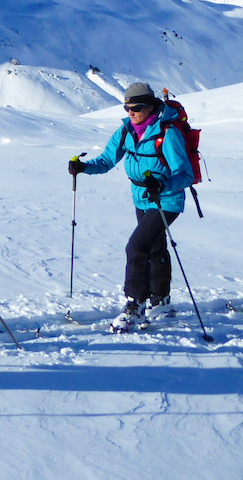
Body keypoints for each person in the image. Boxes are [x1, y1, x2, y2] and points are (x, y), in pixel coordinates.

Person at [68, 82, 193, 332]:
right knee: (154, 246)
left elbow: (185, 174)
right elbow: (105, 160)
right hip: (141, 197)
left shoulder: (167, 132)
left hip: (166, 199)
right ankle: (160, 301)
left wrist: (161, 182)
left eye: (136, 107)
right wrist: (84, 167)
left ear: (149, 106)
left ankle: (134, 306)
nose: (131, 112)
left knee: (136, 246)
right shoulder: (126, 130)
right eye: (127, 108)